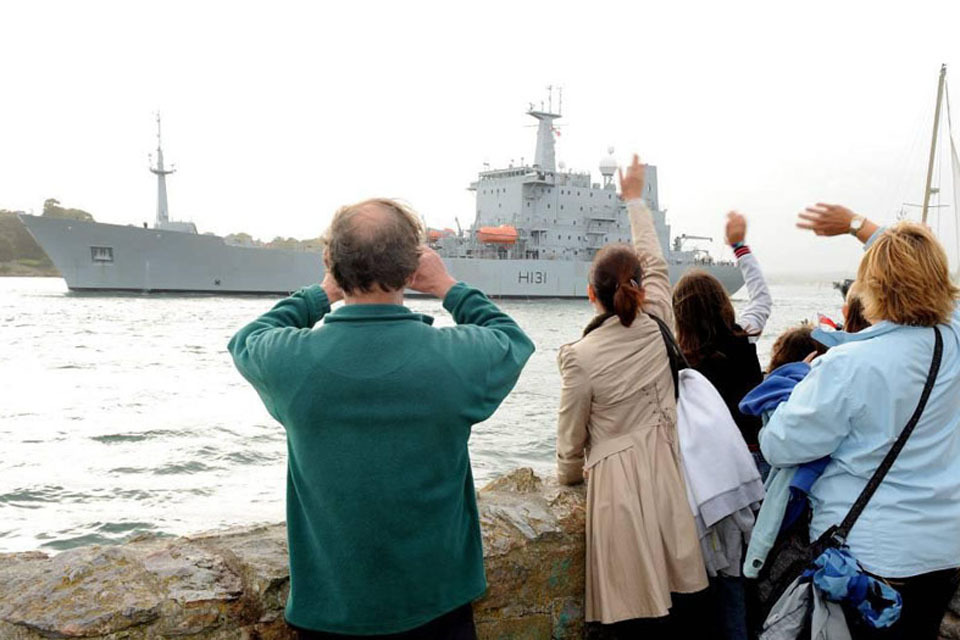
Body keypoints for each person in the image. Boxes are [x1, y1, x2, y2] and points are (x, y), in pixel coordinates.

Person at [228, 198, 535, 639]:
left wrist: (321, 293)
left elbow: (248, 338)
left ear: (331, 263)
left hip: (330, 613)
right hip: (437, 608)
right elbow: (511, 339)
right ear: (413, 269)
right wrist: (448, 286)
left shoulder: (291, 362)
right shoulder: (452, 359)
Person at [760, 203, 960, 640]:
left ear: (874, 286)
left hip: (870, 558)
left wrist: (787, 397)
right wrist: (860, 227)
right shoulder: (954, 340)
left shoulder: (849, 364)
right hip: (942, 550)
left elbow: (780, 445)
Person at [555, 155, 710, 638]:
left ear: (590, 294)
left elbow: (570, 437)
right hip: (669, 474)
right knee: (680, 608)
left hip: (617, 490)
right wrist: (636, 200)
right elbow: (654, 256)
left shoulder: (579, 356)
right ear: (640, 289)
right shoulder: (661, 314)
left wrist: (566, 476)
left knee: (628, 615)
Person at [671, 212, 772, 472]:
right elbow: (761, 297)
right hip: (751, 452)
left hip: (706, 465)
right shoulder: (744, 336)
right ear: (723, 303)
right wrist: (739, 247)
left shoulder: (676, 357)